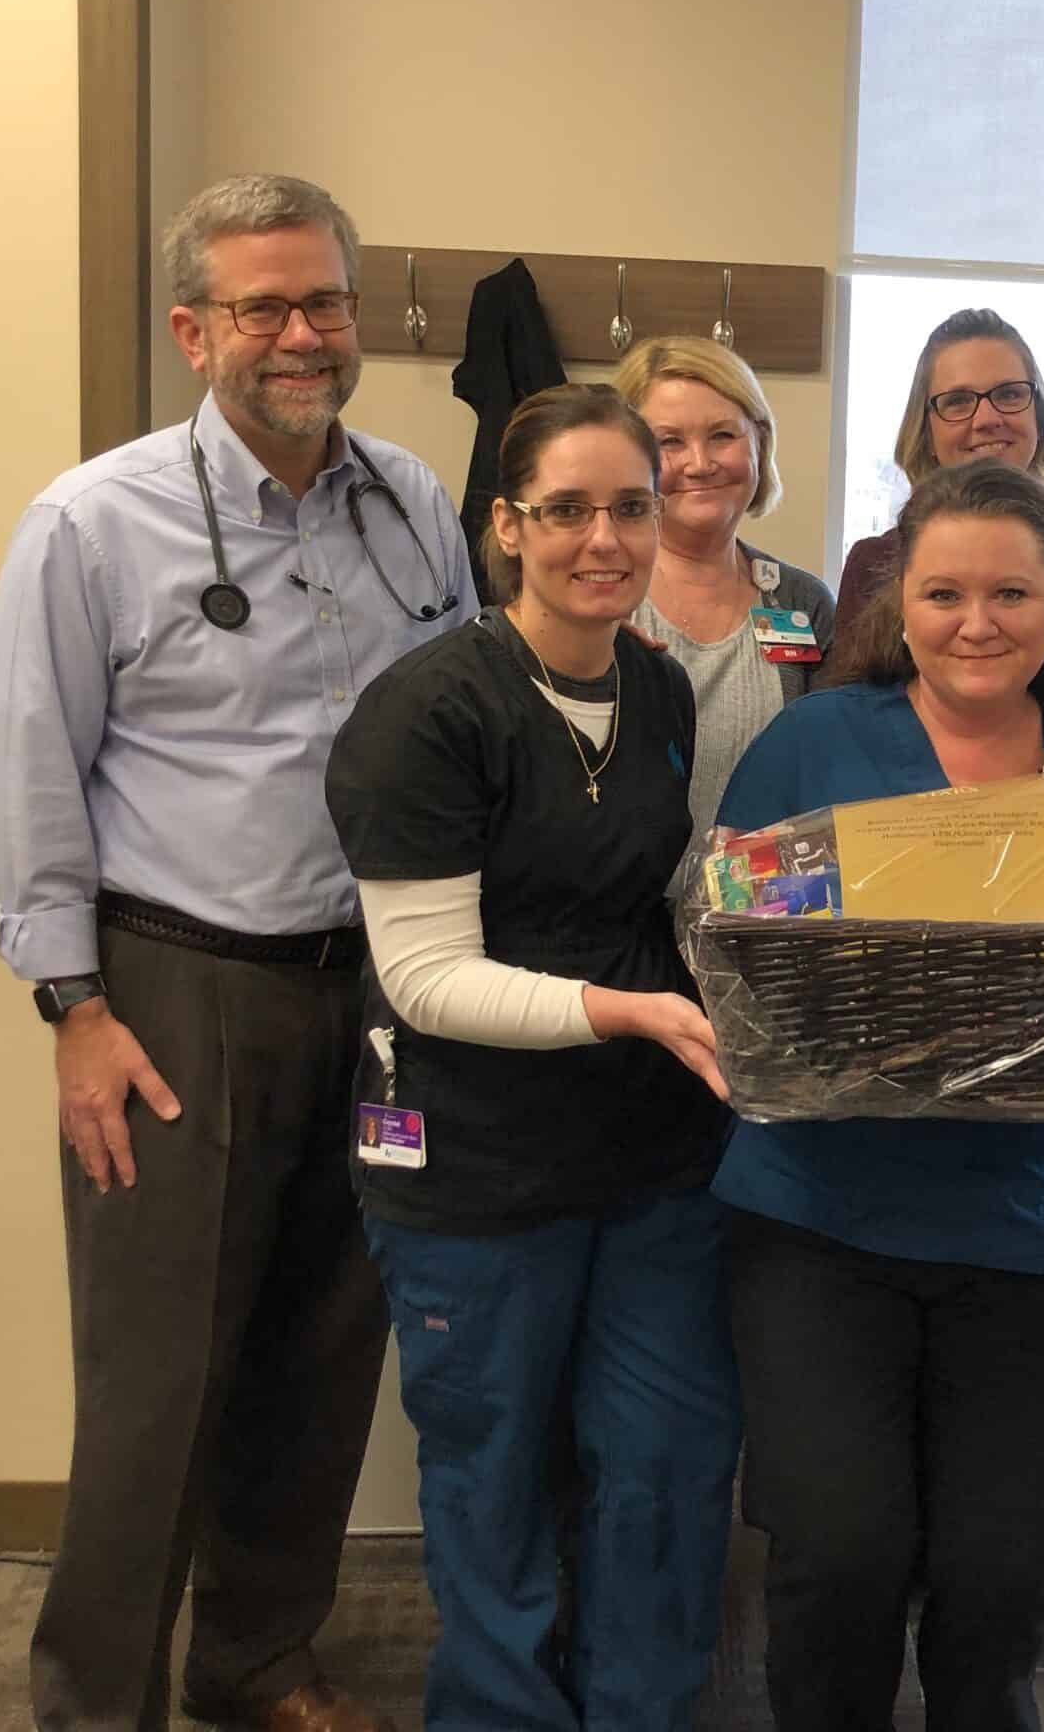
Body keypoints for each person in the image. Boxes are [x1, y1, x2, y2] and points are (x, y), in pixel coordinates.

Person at [0, 172, 474, 1732]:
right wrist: (73, 1007)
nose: (300, 334)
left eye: (324, 300)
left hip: (380, 991)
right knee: (159, 1385)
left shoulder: (412, 501)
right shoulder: (89, 521)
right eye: (262, 305)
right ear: (195, 330)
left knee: (327, 1353)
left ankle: (257, 1658)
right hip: (177, 991)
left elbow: (464, 724)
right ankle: (94, 1698)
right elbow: (25, 770)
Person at [714, 458, 1044, 1732]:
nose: (978, 622)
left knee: (1003, 1573)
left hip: (1022, 1228)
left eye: (1011, 593)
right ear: (896, 603)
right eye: (944, 592)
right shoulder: (814, 742)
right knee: (839, 1561)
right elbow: (728, 944)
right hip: (821, 1220)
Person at [322, 383, 739, 1732]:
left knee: (665, 1465)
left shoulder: (661, 688)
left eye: (631, 506)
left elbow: (650, 902)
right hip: (477, 1170)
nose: (602, 539)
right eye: (566, 510)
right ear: (506, 527)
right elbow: (428, 979)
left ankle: (640, 1710)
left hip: (651, 1161)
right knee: (494, 1474)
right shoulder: (429, 712)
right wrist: (632, 1013)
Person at [612, 335, 835, 870]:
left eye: (722, 436)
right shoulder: (598, 595)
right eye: (669, 442)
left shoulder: (803, 602)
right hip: (617, 928)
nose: (700, 463)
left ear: (759, 443)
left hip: (766, 921)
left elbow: (827, 775)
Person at [833, 307, 1044, 628]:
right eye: (958, 400)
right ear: (925, 431)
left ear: (1038, 418)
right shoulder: (873, 564)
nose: (987, 419)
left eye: (1009, 394)